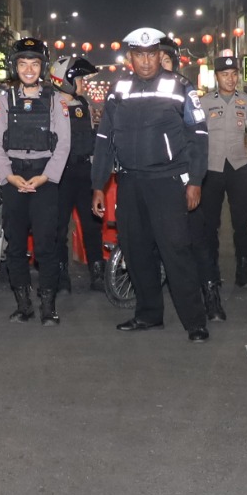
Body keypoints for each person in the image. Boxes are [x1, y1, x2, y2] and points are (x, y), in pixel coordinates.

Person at [90, 26, 211, 342]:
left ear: (160, 55)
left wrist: (195, 180)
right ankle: (148, 314)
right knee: (136, 251)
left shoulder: (180, 87)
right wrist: (98, 184)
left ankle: (195, 321)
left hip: (167, 181)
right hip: (130, 182)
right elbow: (104, 138)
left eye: (151, 54)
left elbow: (198, 137)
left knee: (176, 251)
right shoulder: (119, 89)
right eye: (139, 55)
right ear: (130, 57)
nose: (145, 61)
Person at [0, 38, 72, 325]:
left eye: (34, 64)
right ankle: (23, 305)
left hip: (45, 178)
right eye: (23, 64)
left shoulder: (56, 101)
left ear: (42, 67)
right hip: (13, 177)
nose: (28, 69)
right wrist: (9, 176)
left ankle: (48, 306)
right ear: (15, 67)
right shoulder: (3, 101)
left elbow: (63, 145)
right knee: (14, 246)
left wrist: (45, 176)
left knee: (46, 245)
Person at [190, 54, 247, 321]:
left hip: (238, 166)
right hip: (211, 167)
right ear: (216, 77)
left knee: (242, 221)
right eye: (225, 75)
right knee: (210, 223)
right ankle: (212, 272)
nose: (230, 79)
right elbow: (195, 130)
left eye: (234, 74)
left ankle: (243, 270)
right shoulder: (204, 102)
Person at [51, 55, 106, 292]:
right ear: (66, 81)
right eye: (80, 79)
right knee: (58, 227)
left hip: (84, 172)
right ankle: (61, 274)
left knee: (92, 225)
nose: (83, 83)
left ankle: (97, 272)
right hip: (59, 174)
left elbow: (92, 138)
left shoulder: (84, 104)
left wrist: (97, 174)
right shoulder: (50, 106)